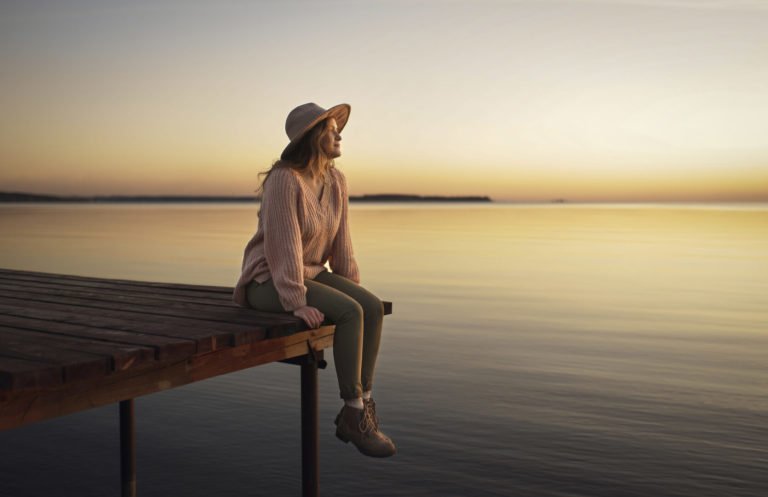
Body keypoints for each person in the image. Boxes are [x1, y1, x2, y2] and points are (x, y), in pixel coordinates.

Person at [232, 102, 396, 458]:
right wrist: (296, 302)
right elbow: (282, 246)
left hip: (309, 272)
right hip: (268, 281)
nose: (338, 133)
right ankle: (352, 410)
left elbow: (343, 243)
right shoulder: (283, 180)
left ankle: (364, 405)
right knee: (350, 313)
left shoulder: (336, 181)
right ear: (312, 136)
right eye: (330, 128)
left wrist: (352, 284)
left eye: (338, 128)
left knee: (369, 306)